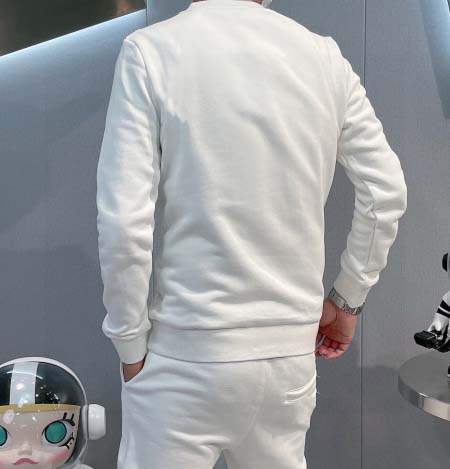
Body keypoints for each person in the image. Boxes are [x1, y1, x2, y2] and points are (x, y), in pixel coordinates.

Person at [96, 0, 408, 467]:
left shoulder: (151, 51)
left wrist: (129, 344)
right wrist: (347, 301)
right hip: (287, 359)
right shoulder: (324, 57)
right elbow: (386, 193)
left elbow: (124, 222)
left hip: (187, 351)